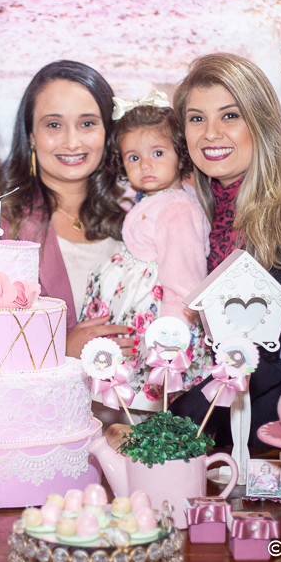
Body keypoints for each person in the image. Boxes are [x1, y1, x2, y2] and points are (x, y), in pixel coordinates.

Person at [104, 53, 281, 450]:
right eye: (197, 118)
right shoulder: (197, 209)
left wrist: (168, 427)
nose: (211, 134)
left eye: (230, 116)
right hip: (219, 434)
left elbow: (262, 353)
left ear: (260, 121)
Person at [0, 60, 132, 358]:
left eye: (87, 123)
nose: (72, 142)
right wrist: (61, 351)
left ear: (108, 131)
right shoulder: (0, 225)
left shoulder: (134, 213)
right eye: (54, 125)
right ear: (31, 136)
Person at [81, 95, 210, 399]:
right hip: (134, 315)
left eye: (158, 153)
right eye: (134, 158)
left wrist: (169, 338)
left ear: (181, 156)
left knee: (150, 399)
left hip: (160, 323)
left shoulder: (178, 210)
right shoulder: (155, 197)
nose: (146, 165)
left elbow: (182, 281)